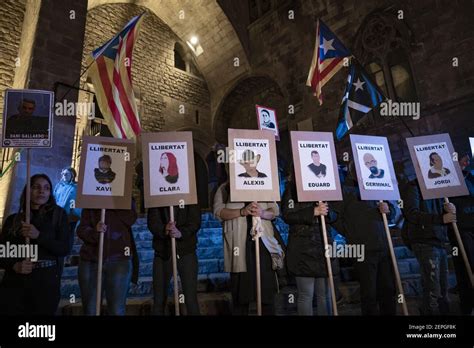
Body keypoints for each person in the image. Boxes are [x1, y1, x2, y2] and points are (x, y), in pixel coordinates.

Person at [0, 174, 71, 315]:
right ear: (28, 191)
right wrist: (15, 265)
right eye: (36, 187)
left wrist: (39, 236)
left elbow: (64, 248)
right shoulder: (13, 220)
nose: (41, 191)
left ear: (50, 193)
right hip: (15, 284)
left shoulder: (59, 216)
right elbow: (2, 253)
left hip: (45, 284)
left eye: (46, 188)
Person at [332, 162, 397, 315]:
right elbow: (333, 217)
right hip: (362, 249)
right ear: (352, 170)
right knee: (369, 293)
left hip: (383, 246)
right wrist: (351, 233)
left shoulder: (376, 186)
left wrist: (388, 210)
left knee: (388, 289)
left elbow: (391, 212)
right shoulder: (345, 190)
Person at [213, 181, 284, 315]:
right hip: (238, 245)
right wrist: (242, 211)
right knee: (241, 296)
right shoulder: (225, 188)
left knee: (266, 294)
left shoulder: (263, 183)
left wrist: (262, 213)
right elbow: (218, 212)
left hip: (262, 244)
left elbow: (274, 211)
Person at [281, 177, 334, 315]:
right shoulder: (292, 189)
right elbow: (287, 215)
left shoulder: (325, 186)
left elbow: (336, 214)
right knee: (306, 295)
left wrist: (327, 210)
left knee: (325, 295)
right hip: (303, 249)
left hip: (323, 246)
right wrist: (313, 211)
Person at [401, 177, 453, 315]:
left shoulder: (438, 186)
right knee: (433, 288)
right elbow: (412, 213)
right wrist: (440, 219)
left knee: (442, 287)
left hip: (439, 239)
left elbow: (443, 211)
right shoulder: (413, 186)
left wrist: (450, 209)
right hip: (424, 241)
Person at [77, 201, 138, 315]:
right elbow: (81, 229)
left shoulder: (126, 198)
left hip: (119, 260)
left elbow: (130, 219)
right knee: (91, 310)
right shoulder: (92, 198)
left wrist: (114, 201)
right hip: (91, 260)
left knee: (117, 310)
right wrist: (95, 232)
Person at [147, 204, 201, 315]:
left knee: (191, 300)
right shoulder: (157, 194)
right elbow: (152, 221)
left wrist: (181, 233)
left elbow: (195, 221)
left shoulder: (189, 193)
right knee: (159, 300)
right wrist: (164, 229)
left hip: (186, 251)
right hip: (163, 252)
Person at [448, 153, 474, 315]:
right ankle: (467, 305)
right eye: (463, 158)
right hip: (461, 230)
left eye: (467, 159)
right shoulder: (448, 181)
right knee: (466, 269)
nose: (466, 161)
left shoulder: (470, 178)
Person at [53, 167, 81, 241]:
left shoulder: (76, 188)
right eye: (63, 174)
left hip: (70, 215)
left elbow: (74, 201)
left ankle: (67, 250)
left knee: (68, 236)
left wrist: (72, 211)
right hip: (58, 214)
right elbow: (54, 198)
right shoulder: (58, 186)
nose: (64, 175)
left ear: (72, 175)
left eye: (66, 174)